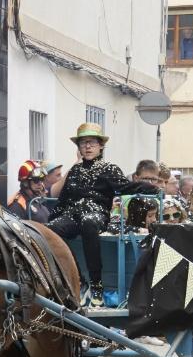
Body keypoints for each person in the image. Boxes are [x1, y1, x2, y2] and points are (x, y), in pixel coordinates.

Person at [48, 123, 140, 307]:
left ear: (100, 146)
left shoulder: (109, 168)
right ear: (79, 148)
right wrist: (52, 219)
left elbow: (126, 187)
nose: (87, 147)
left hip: (97, 214)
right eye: (83, 143)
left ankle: (97, 285)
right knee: (51, 230)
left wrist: (152, 188)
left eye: (91, 142)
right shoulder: (75, 170)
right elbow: (64, 198)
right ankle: (79, 280)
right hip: (73, 214)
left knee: (88, 223)